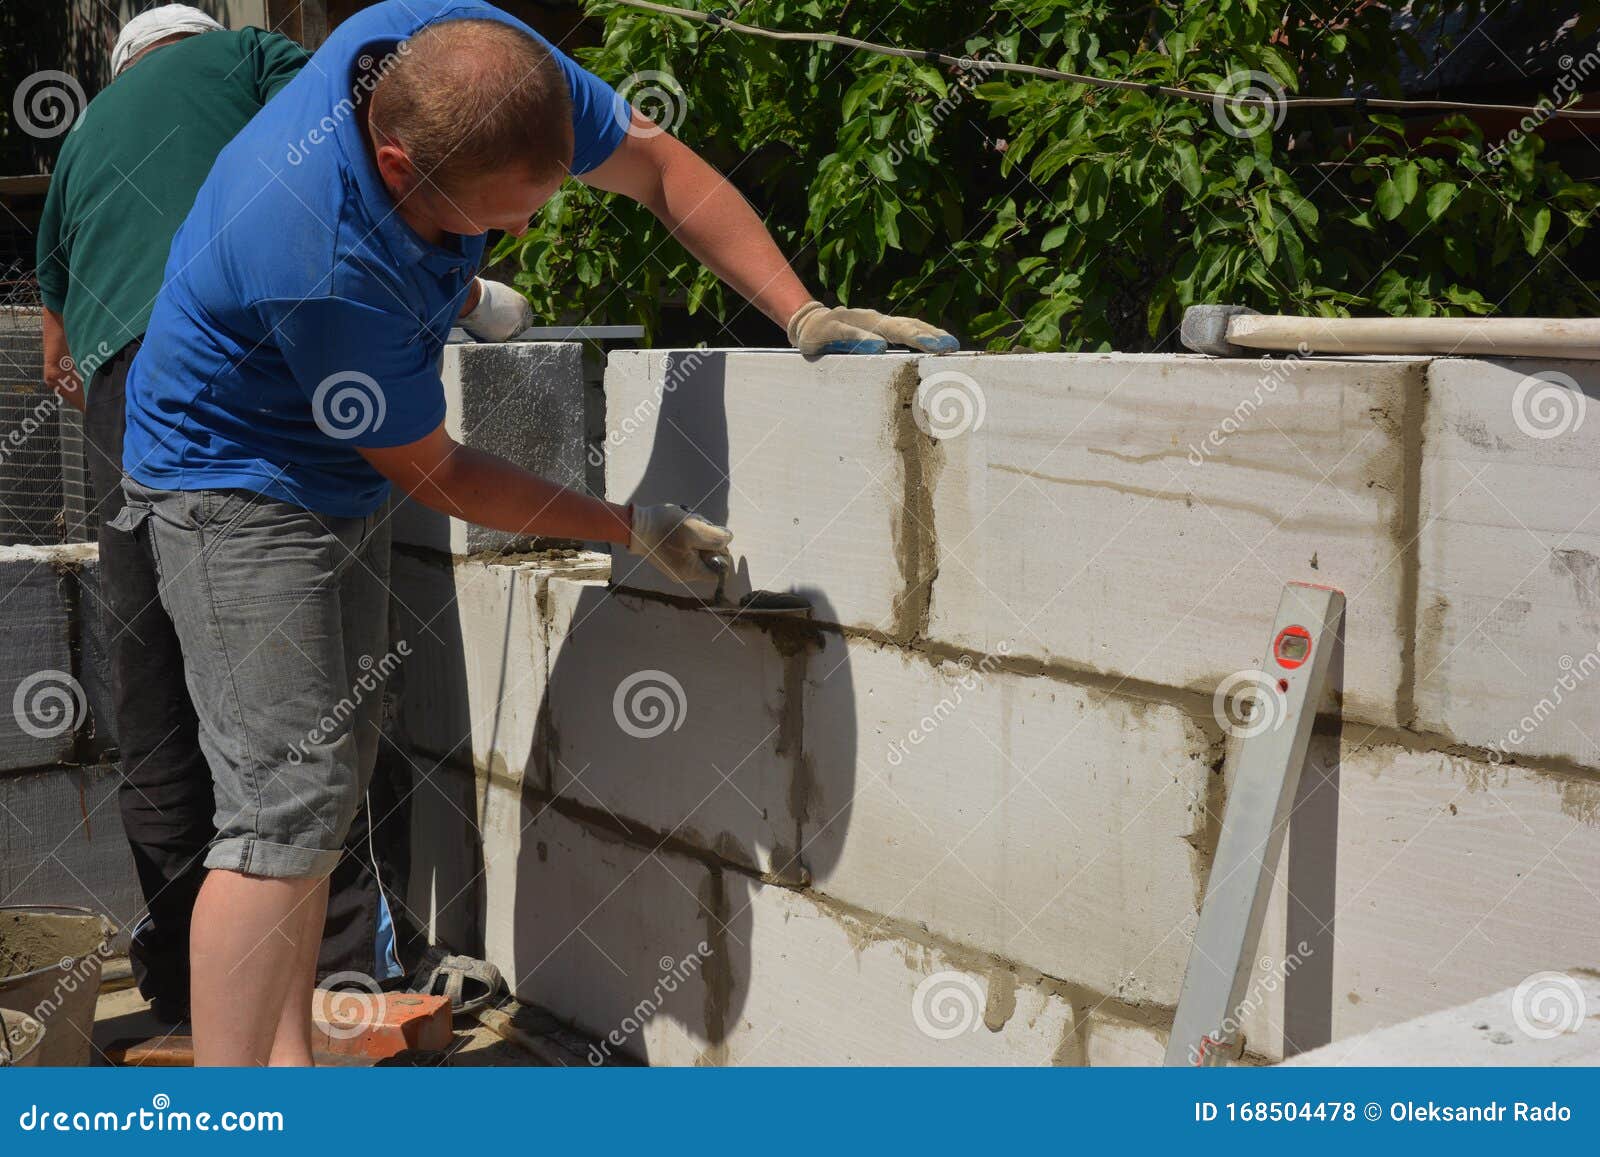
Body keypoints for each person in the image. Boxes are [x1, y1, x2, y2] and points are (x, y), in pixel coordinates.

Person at [118, 0, 956, 1066]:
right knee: (281, 809)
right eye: (494, 217)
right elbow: (440, 471)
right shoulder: (314, 248)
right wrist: (624, 523)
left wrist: (799, 311)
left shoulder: (456, 54)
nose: (522, 229)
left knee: (320, 795)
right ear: (390, 158)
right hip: (234, 473)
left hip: (337, 457)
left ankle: (288, 1079)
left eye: (534, 203)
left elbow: (655, 166)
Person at [33, 4, 428, 1023]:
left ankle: (178, 990)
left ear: (125, 64)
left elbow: (55, 355)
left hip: (125, 385)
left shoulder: (79, 143)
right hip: (261, 339)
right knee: (319, 678)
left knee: (151, 668)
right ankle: (342, 977)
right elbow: (363, 139)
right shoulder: (247, 53)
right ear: (195, 41)